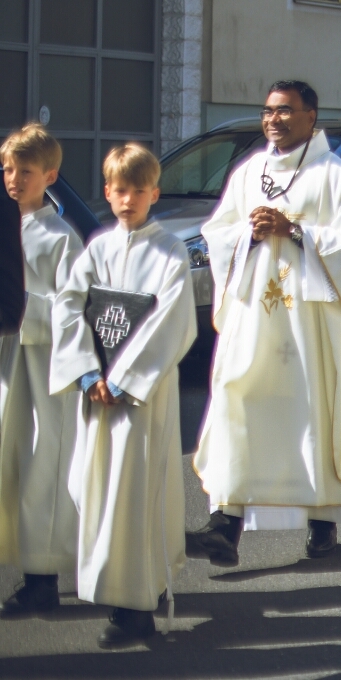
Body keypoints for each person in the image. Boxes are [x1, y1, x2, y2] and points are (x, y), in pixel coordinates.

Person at [191, 81, 341, 563]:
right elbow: (217, 232)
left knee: (314, 415)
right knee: (238, 403)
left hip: (313, 325)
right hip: (256, 321)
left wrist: (296, 230)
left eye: (285, 111)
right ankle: (225, 524)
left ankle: (323, 519)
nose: (273, 119)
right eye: (268, 111)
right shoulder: (248, 172)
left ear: (310, 116)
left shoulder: (334, 176)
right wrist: (249, 233)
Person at [51, 144, 196, 647]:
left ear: (155, 193)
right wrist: (88, 372)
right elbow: (69, 308)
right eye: (120, 190)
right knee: (95, 489)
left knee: (135, 493)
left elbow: (171, 321)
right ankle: (112, 589)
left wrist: (124, 379)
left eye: (139, 190)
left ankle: (135, 608)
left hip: (140, 398)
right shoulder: (97, 249)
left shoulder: (170, 252)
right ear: (107, 193)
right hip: (96, 394)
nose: (128, 199)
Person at [0, 126, 82, 617]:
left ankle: (41, 579)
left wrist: (16, 305)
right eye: (7, 169)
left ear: (50, 176)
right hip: (7, 364)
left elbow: (72, 311)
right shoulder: (5, 225)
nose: (13, 179)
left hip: (42, 370)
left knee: (38, 469)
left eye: (25, 171)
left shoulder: (60, 237)